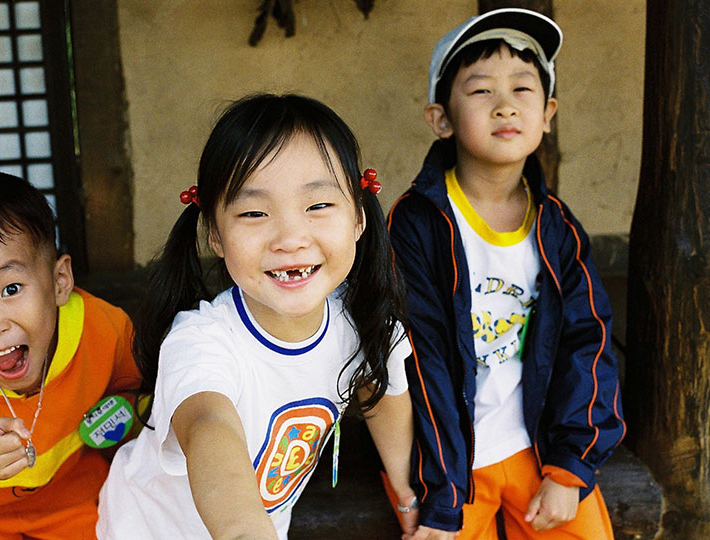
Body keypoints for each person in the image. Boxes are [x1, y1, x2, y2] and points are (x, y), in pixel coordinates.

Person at [97, 93, 439, 539]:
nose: (290, 237)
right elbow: (209, 430)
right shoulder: (200, 343)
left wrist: (406, 491)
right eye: (255, 212)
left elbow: (383, 387)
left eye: (317, 206)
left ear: (358, 217)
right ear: (215, 235)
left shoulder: (362, 319)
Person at [388, 9, 626, 540]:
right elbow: (418, 360)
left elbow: (589, 342)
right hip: (446, 464)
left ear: (547, 114)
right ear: (441, 119)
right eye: (479, 91)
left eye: (523, 88)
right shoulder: (419, 222)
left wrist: (571, 466)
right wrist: (443, 500)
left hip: (535, 449)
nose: (505, 105)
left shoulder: (557, 228)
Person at [0, 171, 141, 539]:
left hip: (77, 501)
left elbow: (137, 405)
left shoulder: (102, 329)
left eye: (11, 288)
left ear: (59, 281)